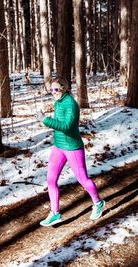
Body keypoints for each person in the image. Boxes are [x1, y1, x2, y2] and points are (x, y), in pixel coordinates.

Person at [36, 77, 106, 227]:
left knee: (83, 179)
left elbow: (67, 126)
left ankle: (98, 203)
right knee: (51, 180)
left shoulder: (71, 105)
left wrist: (45, 120)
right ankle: (55, 213)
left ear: (64, 88)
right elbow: (59, 124)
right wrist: (46, 120)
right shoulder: (58, 102)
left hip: (72, 147)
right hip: (58, 146)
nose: (53, 92)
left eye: (56, 89)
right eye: (51, 90)